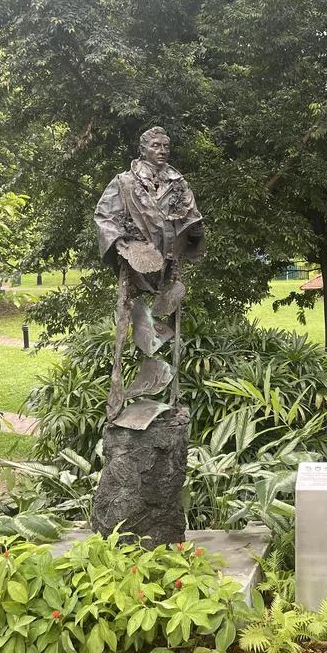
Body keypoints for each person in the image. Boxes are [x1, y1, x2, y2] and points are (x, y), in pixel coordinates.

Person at [94, 126, 205, 429]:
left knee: (171, 325)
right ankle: (118, 403)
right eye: (156, 145)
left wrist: (192, 233)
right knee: (129, 323)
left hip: (169, 265)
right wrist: (120, 244)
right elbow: (104, 217)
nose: (162, 150)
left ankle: (171, 397)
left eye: (166, 145)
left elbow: (191, 216)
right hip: (136, 263)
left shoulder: (178, 183)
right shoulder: (124, 182)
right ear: (143, 149)